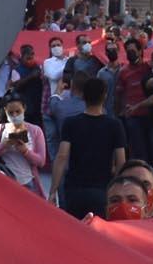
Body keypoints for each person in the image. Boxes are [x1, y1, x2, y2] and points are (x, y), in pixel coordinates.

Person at [52, 76, 127, 218]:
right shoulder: (115, 125)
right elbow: (121, 161)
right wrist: (116, 189)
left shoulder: (71, 123)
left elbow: (62, 157)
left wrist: (52, 191)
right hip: (103, 188)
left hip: (75, 188)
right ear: (104, 96)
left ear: (83, 96)